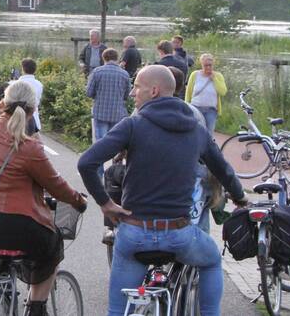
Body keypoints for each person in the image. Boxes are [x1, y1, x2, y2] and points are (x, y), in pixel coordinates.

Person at [77, 65, 248, 316]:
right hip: (179, 234)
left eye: (137, 87)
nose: (132, 93)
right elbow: (223, 170)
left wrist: (105, 203)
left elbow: (86, 163)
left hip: (134, 233)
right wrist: (240, 197)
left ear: (154, 91)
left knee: (117, 309)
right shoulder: (196, 129)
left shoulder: (132, 125)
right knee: (211, 261)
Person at [0, 80, 87, 316]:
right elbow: (56, 186)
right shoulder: (30, 148)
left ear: (1, 104)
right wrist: (78, 200)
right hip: (17, 229)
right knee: (52, 244)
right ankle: (36, 306)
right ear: (33, 111)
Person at [86, 48, 131, 146]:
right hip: (118, 113)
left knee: (100, 142)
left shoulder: (97, 72)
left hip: (100, 111)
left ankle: (99, 161)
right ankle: (115, 161)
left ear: (103, 58)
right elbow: (127, 95)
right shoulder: (124, 74)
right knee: (115, 142)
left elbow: (89, 92)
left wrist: (98, 96)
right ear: (117, 58)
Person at [185, 53, 227, 133]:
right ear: (201, 64)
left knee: (209, 134)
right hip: (196, 108)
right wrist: (187, 106)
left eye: (210, 65)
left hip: (210, 110)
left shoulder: (218, 76)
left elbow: (223, 92)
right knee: (196, 132)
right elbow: (189, 92)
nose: (208, 67)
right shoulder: (195, 75)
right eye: (205, 65)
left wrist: (214, 79)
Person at [19, 58, 44, 132]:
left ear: (23, 69)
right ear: (35, 70)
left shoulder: (16, 84)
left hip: (19, 121)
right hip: (35, 121)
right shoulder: (39, 84)